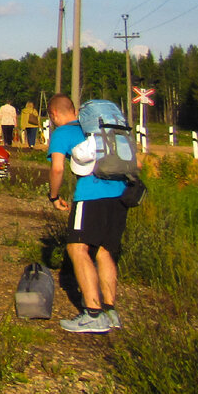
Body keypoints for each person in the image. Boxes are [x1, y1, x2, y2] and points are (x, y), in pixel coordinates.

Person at [47, 93, 128, 334]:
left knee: (77, 248)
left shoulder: (62, 133)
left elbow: (58, 168)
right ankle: (109, 311)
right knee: (104, 252)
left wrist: (54, 196)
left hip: (91, 195)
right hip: (120, 193)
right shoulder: (100, 128)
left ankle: (93, 314)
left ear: (54, 114)